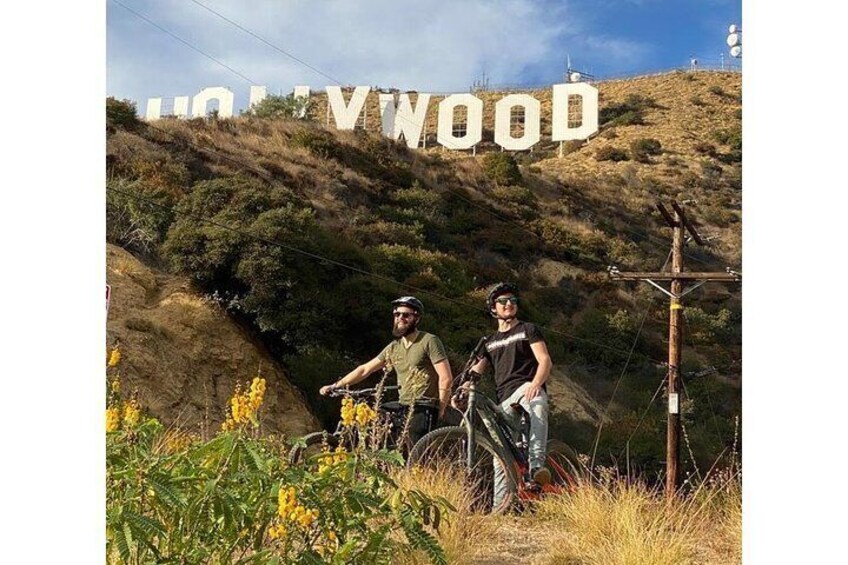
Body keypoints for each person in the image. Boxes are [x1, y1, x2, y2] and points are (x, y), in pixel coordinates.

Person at [319, 296, 453, 446]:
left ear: (417, 318)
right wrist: (336, 385)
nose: (400, 318)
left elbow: (445, 377)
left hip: (424, 406)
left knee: (413, 451)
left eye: (406, 315)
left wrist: (440, 408)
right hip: (403, 404)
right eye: (397, 314)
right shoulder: (394, 347)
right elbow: (365, 369)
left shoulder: (429, 341)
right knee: (372, 416)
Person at [468, 282, 553, 502]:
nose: (509, 304)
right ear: (493, 308)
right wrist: (465, 385)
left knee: (538, 406)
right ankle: (500, 507)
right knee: (500, 454)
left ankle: (536, 467)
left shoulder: (528, 329)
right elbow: (477, 371)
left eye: (513, 301)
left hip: (526, 387)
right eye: (503, 301)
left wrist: (536, 383)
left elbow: (544, 360)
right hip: (503, 399)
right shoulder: (489, 342)